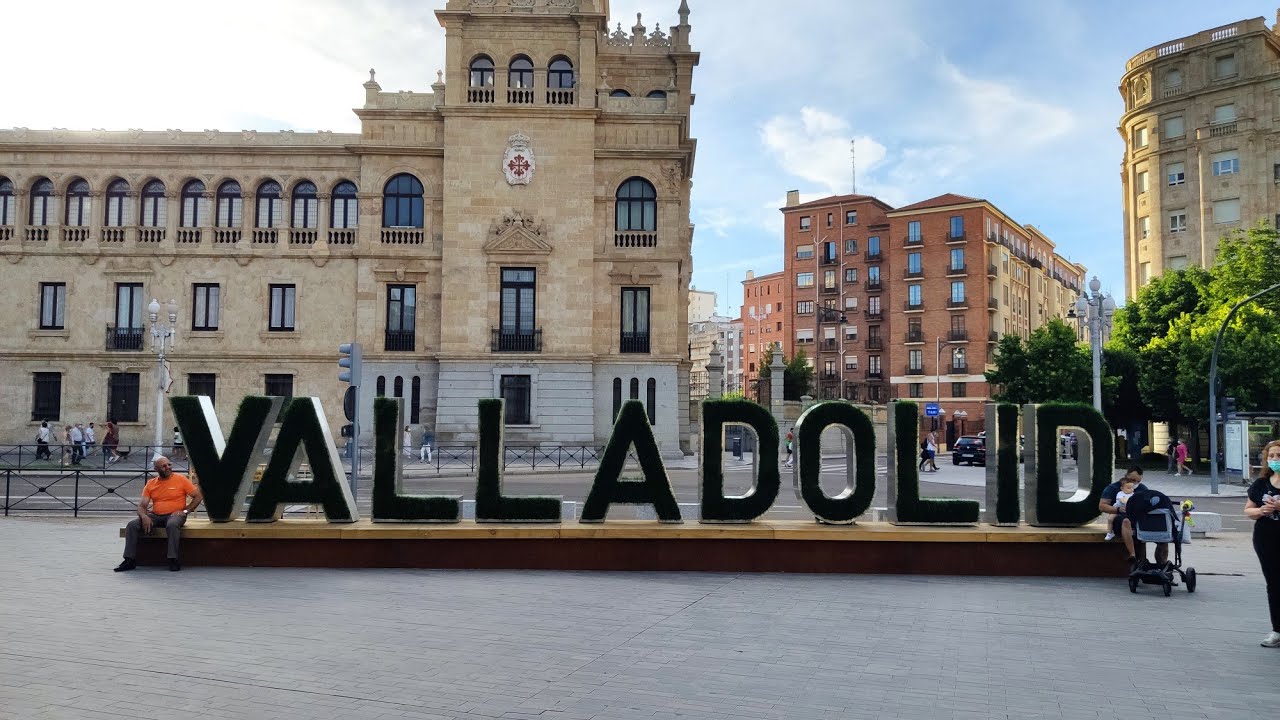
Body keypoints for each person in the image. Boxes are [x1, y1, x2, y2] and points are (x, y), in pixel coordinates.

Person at [114, 456, 203, 573]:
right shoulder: (151, 483)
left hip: (175, 515)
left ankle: (173, 559)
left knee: (172, 524)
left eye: (169, 465)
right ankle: (129, 560)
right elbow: (142, 505)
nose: (168, 468)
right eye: (164, 466)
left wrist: (186, 510)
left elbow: (198, 496)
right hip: (155, 515)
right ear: (156, 469)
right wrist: (144, 516)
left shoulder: (180, 479)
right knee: (132, 525)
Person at [1244, 439, 1280, 648]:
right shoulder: (1261, 483)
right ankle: (1277, 630)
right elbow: (1248, 509)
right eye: (1271, 456)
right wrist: (1260, 511)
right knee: (1274, 584)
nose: (1275, 459)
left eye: (1278, 456)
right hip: (1266, 539)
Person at [1100, 465, 1168, 569]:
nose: (1135, 483)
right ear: (1126, 476)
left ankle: (1162, 565)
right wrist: (1118, 509)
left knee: (1163, 538)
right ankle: (1134, 556)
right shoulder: (1113, 488)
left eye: (1138, 481)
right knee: (1126, 521)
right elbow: (1102, 506)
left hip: (1140, 519)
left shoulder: (1142, 488)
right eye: (1133, 480)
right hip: (1120, 517)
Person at [1104, 475, 1137, 541]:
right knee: (1110, 519)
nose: (1131, 489)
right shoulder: (1120, 494)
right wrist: (1130, 501)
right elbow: (1123, 500)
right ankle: (1110, 532)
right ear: (1122, 488)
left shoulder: (1133, 494)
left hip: (1127, 510)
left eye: (1132, 488)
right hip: (1117, 509)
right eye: (1128, 488)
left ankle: (1133, 530)